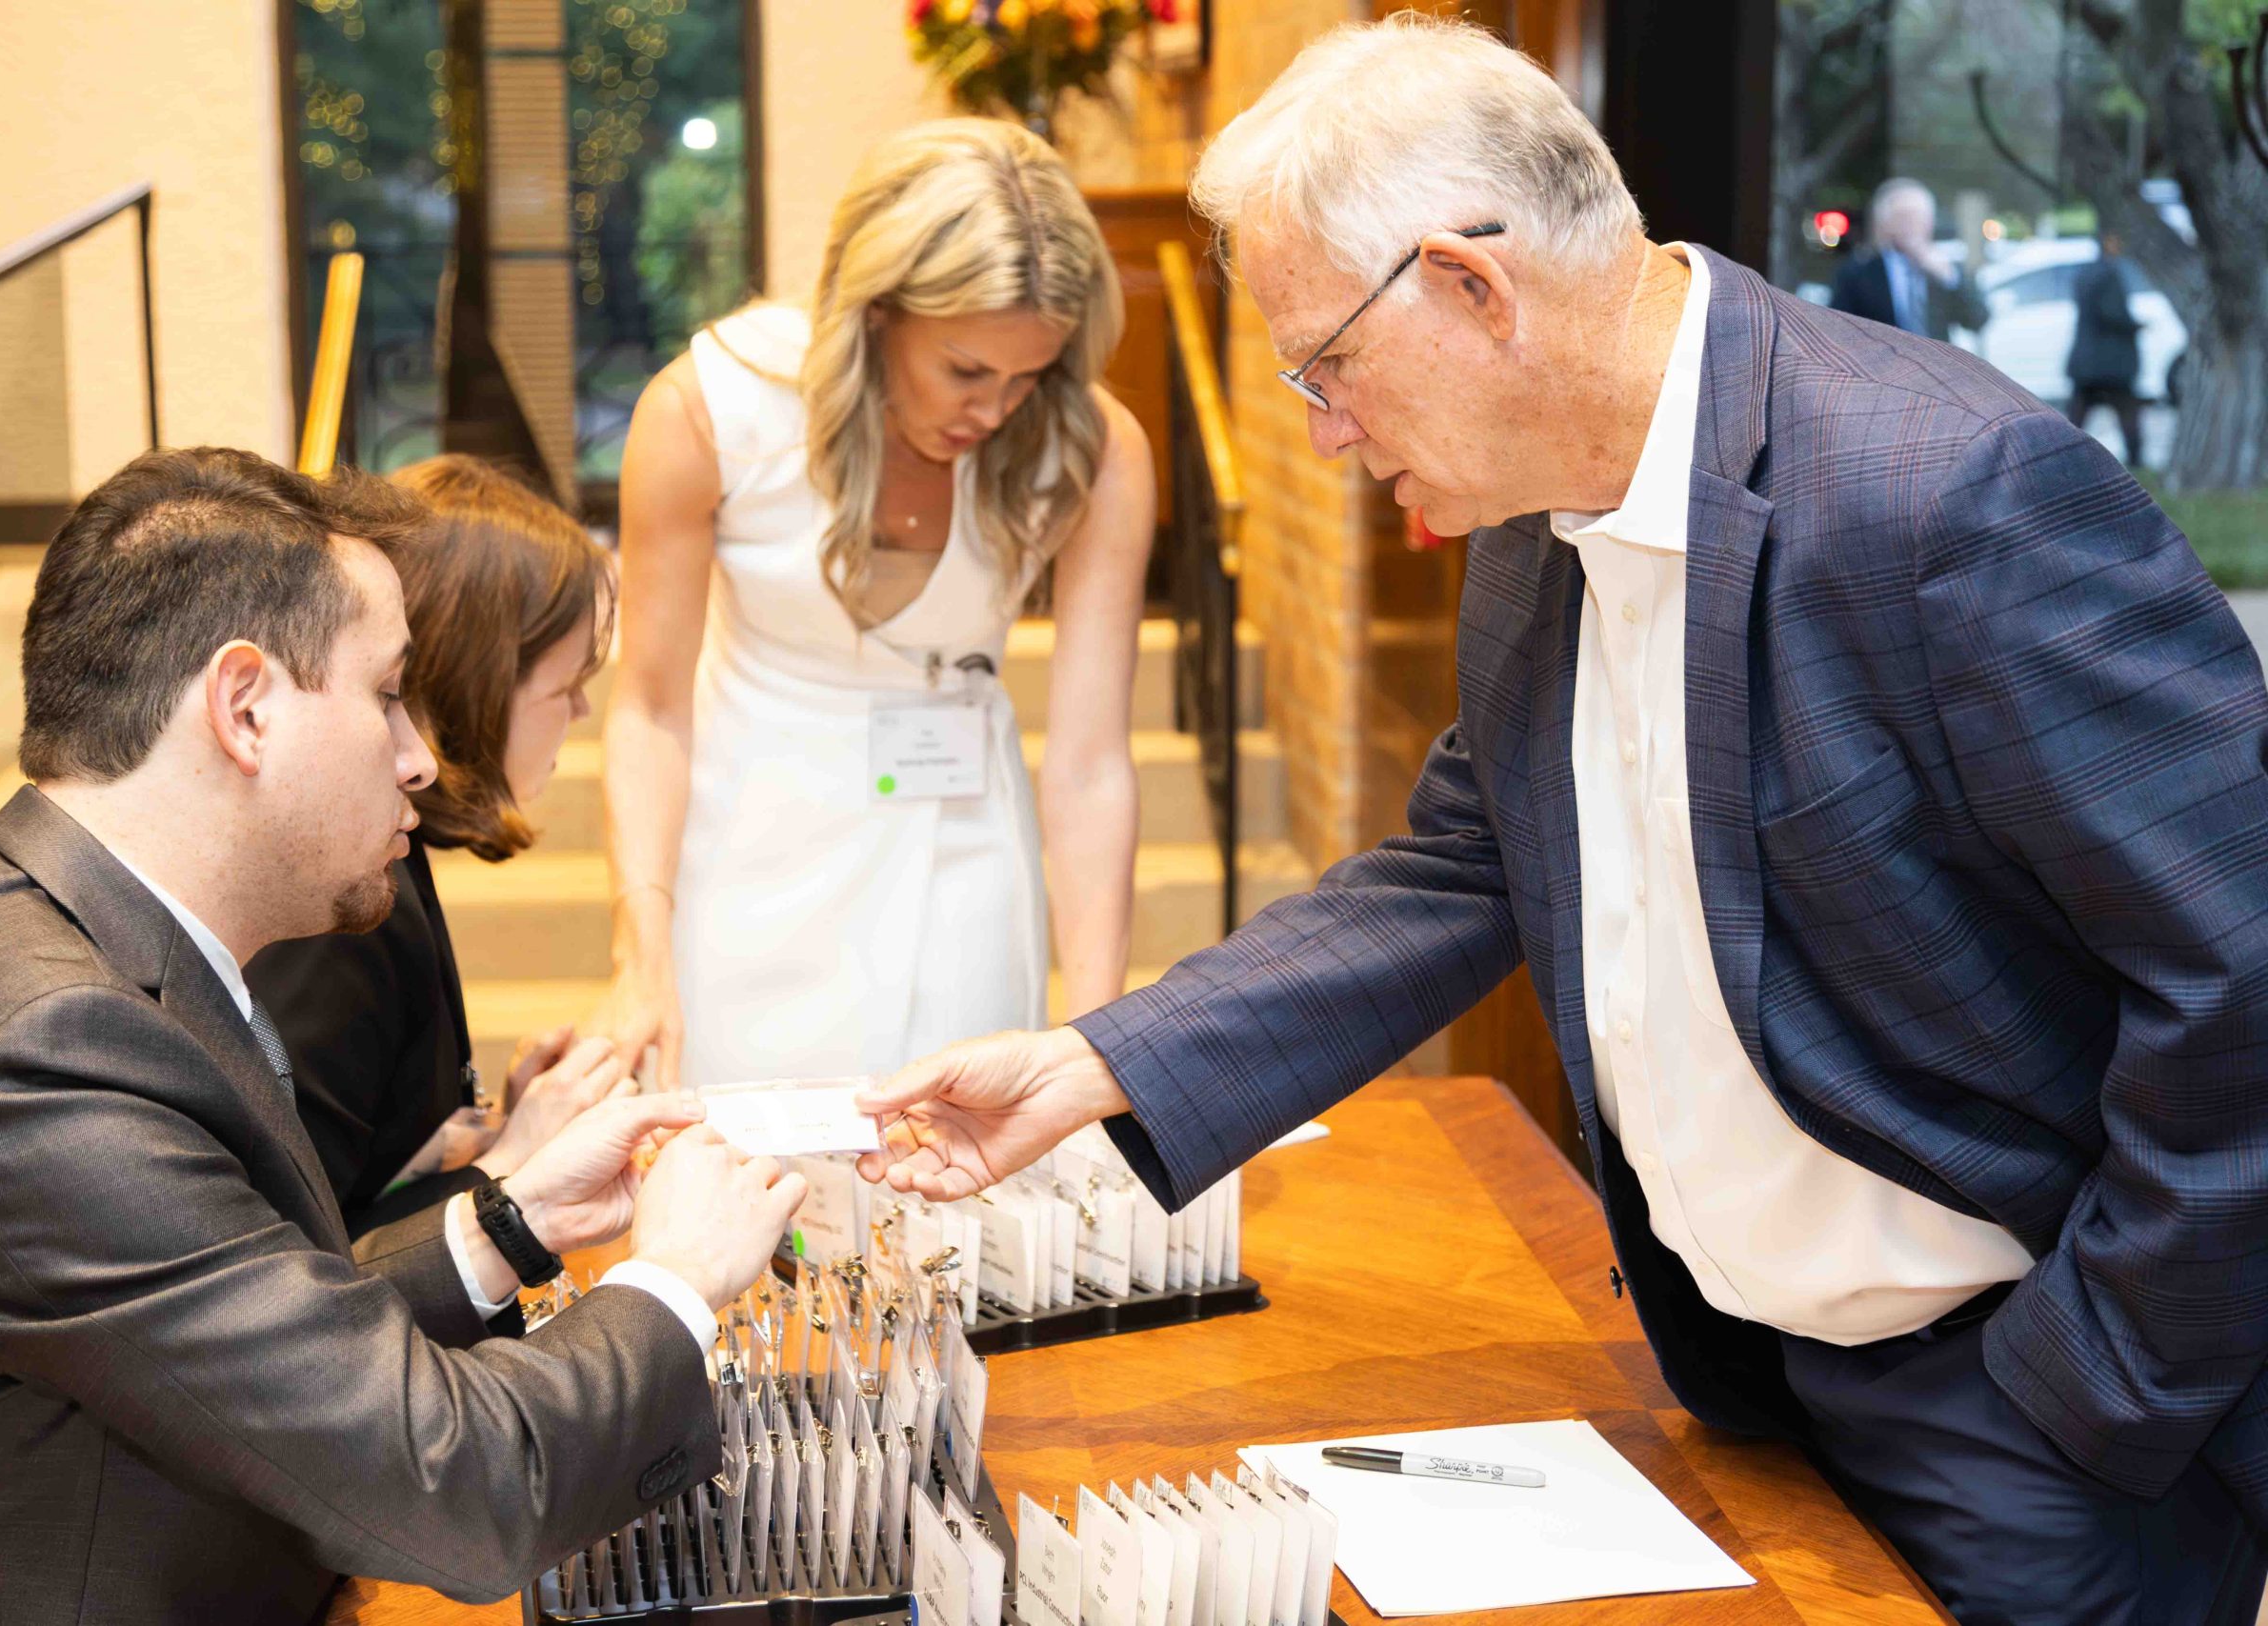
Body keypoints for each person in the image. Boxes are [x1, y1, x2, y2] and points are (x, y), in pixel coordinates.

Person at [854, 18, 2268, 1625]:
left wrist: (2089, 1388)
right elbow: (1464, 863)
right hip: (1748, 1376)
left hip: (2022, 1416)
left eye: (1326, 365)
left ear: (1473, 287)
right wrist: (1094, 1062)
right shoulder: (1533, 528)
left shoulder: (1953, 497)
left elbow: (2242, 978)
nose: (1323, 431)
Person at [0, 448, 807, 1624]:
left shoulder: (67, 942)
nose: (421, 757)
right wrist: (676, 1278)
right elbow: (460, 1490)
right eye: (388, 694)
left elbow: (260, 1325)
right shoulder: (41, 1057)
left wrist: (511, 1222)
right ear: (244, 708)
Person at [594, 117, 1155, 1089]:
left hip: (961, 838)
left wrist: (1095, 1041)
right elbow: (648, 711)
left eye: (1028, 377)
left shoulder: (1093, 449)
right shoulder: (709, 412)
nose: (995, 411)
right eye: (966, 370)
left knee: (959, 1143)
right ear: (878, 313)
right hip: (748, 842)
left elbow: (1090, 763)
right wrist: (640, 947)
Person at [251, 454, 628, 1256]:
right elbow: (290, 1254)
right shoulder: (343, 913)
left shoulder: (388, 864)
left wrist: (499, 1129)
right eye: (566, 685)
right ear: (477, 688)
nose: (581, 709)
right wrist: (515, 1157)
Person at [1828, 176, 1988, 342]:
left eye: (1920, 216)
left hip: (1934, 357)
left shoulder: (1946, 266)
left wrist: (1949, 278)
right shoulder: (1858, 271)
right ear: (1885, 222)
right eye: (1904, 216)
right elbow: (1840, 328)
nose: (1913, 224)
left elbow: (1977, 321)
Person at [2066, 232, 2147, 470]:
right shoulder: (2109, 274)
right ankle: (2136, 459)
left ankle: (2065, 456)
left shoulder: (2085, 273)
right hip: (2111, 358)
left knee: (2078, 414)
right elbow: (2113, 313)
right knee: (2126, 409)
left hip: (2087, 358)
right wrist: (2135, 326)